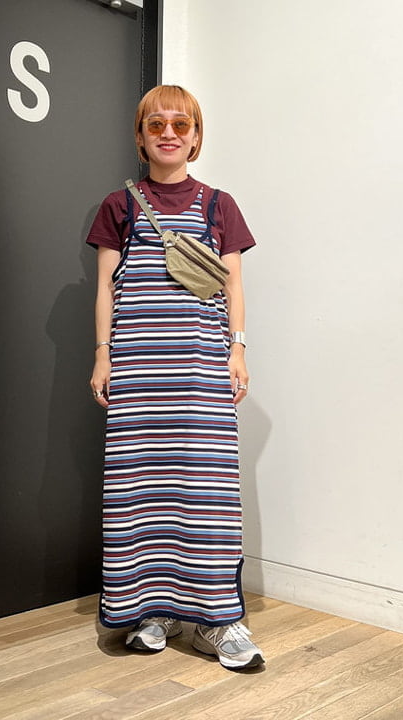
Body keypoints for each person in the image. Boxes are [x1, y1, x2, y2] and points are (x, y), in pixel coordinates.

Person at [86, 85, 263, 670]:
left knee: (206, 495)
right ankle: (151, 610)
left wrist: (237, 348)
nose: (168, 133)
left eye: (180, 124)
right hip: (138, 370)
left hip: (199, 370)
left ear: (196, 135)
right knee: (139, 493)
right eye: (156, 124)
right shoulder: (119, 205)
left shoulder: (219, 205)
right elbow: (105, 287)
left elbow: (233, 285)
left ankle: (216, 620)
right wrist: (103, 355)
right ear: (140, 136)